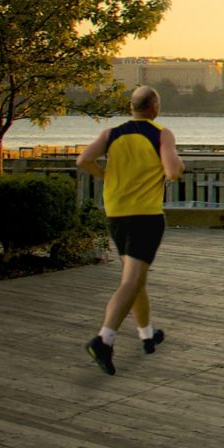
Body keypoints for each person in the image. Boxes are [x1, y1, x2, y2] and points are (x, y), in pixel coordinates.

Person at [77, 86, 184, 374]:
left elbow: (84, 160)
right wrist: (178, 164)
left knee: (135, 279)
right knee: (131, 282)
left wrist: (106, 174)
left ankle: (147, 334)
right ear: (154, 107)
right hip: (145, 216)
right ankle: (104, 339)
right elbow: (172, 172)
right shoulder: (160, 133)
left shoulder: (112, 134)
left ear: (131, 107)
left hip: (116, 214)